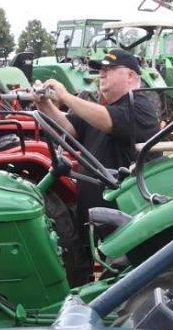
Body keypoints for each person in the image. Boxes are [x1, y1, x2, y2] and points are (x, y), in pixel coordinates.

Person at [32, 48, 160, 226]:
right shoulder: (104, 111)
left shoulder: (140, 106)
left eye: (109, 69)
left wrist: (65, 96)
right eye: (100, 69)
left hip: (122, 220)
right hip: (94, 218)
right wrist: (43, 103)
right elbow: (67, 127)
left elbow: (108, 121)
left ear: (130, 76)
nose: (101, 73)